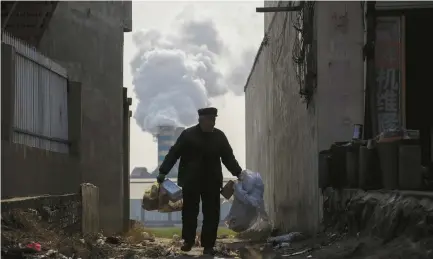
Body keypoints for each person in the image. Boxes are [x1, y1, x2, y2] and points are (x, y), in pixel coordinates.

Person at [157, 107, 243, 255]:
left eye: (214, 119)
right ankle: (188, 241)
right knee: (190, 212)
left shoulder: (219, 136)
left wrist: (239, 173)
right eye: (210, 119)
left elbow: (228, 157)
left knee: (211, 213)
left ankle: (208, 245)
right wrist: (163, 171)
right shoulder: (188, 135)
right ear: (201, 120)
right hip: (191, 182)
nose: (213, 123)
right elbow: (174, 153)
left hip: (212, 181)